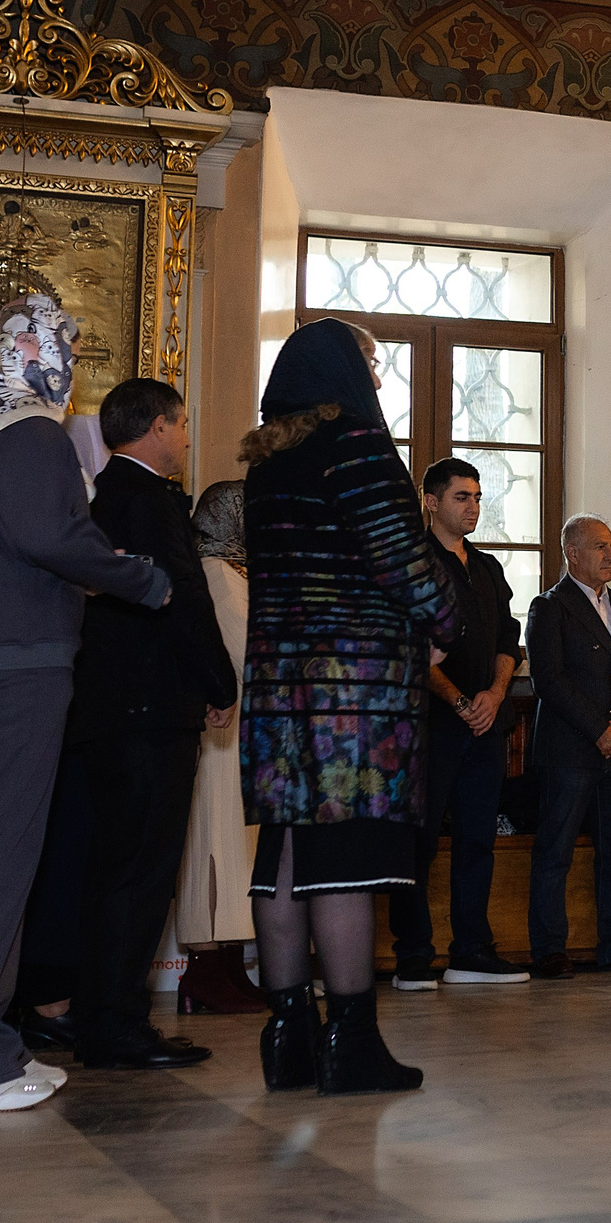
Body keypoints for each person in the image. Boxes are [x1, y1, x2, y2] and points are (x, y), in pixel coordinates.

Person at [0, 295, 168, 1113]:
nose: (68, 370)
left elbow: (15, 539)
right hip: (10, 670)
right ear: (33, 355)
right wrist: (140, 577)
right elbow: (53, 537)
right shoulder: (29, 431)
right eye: (62, 352)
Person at [240, 318, 454, 1096]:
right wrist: (449, 620)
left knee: (285, 859)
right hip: (353, 694)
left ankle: (289, 1034)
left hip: (279, 686)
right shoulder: (358, 445)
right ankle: (352, 1041)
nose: (377, 375)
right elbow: (402, 561)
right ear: (340, 371)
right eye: (370, 360)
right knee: (346, 862)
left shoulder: (267, 464)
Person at [62, 378, 239, 1069]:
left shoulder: (104, 495)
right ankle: (117, 1024)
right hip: (150, 711)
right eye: (183, 423)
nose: (188, 438)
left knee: (111, 868)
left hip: (108, 710)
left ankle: (99, 1013)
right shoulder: (151, 500)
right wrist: (218, 681)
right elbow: (183, 600)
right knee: (142, 870)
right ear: (158, 426)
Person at [387, 457, 529, 989]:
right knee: (418, 842)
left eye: (477, 497)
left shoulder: (487, 567)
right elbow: (407, 645)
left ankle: (470, 951)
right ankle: (412, 956)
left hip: (486, 723)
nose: (473, 507)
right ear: (431, 501)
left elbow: (507, 638)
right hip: (429, 725)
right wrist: (460, 701)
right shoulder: (412, 562)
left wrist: (493, 694)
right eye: (461, 497)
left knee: (477, 840)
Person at [524, 513, 611, 977]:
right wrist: (599, 730)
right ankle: (549, 949)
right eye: (600, 546)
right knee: (555, 851)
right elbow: (549, 680)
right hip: (571, 751)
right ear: (573, 553)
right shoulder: (550, 607)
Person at [174, 480, 262, 1016]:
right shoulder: (217, 574)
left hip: (239, 738)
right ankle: (204, 973)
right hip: (221, 741)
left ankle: (228, 968)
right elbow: (249, 656)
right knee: (216, 846)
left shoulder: (235, 572)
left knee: (235, 852)